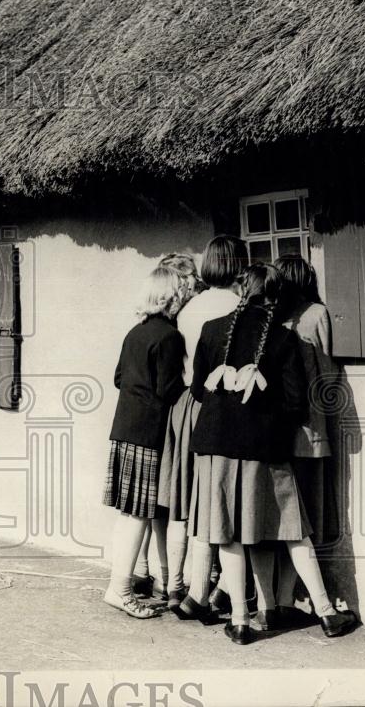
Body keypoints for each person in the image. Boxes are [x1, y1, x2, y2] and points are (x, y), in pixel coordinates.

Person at [186, 263, 357, 644]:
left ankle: (240, 621)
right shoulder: (284, 339)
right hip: (267, 450)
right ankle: (327, 613)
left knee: (227, 535)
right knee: (294, 531)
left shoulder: (211, 329)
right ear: (276, 297)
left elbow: (197, 390)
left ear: (241, 291)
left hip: (215, 447)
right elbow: (297, 405)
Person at [170, 236, 248, 621]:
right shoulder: (241, 307)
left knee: (201, 500)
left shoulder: (190, 307)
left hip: (192, 405)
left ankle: (194, 587)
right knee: (235, 503)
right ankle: (223, 589)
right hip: (232, 409)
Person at [103, 266, 187, 619]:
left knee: (128, 515)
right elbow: (169, 390)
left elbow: (118, 378)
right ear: (172, 296)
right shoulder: (170, 336)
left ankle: (118, 586)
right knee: (139, 516)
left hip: (124, 429)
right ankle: (120, 590)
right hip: (147, 433)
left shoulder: (134, 332)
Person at [265, 253, 341, 625]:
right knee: (306, 521)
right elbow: (328, 374)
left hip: (276, 433)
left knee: (286, 522)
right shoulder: (316, 314)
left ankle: (278, 600)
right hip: (310, 432)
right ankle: (307, 603)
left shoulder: (273, 320)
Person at [129, 253, 202, 606]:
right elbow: (170, 384)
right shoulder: (172, 329)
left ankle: (150, 573)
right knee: (166, 503)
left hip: (142, 421)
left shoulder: (141, 327)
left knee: (150, 504)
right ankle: (171, 581)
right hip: (169, 417)